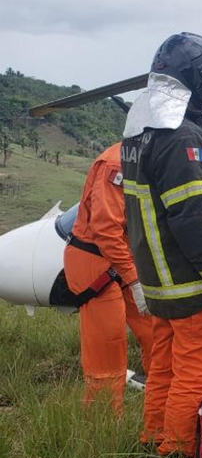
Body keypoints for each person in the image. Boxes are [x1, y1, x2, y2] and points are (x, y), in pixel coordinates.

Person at [121, 32, 202, 458]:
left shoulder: (141, 134)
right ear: (200, 82)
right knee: (196, 379)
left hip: (163, 289)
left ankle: (152, 444)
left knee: (164, 372)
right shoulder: (182, 139)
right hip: (195, 288)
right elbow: (195, 219)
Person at [63, 142, 156, 414]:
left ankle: (162, 407)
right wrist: (134, 279)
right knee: (109, 346)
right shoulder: (118, 163)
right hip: (96, 261)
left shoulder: (152, 158)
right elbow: (105, 229)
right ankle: (102, 425)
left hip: (126, 258)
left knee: (157, 331)